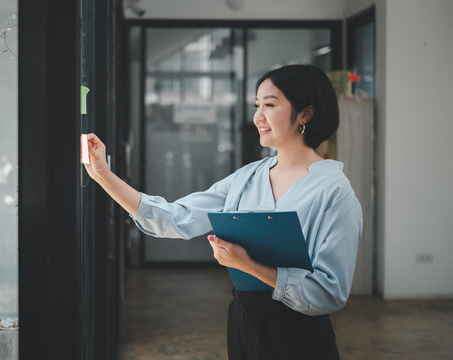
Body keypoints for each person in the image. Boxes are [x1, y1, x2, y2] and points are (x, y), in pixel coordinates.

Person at [83, 64, 362, 360]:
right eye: (257, 105)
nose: (258, 117)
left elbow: (330, 292)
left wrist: (249, 265)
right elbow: (174, 218)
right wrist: (102, 174)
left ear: (305, 114)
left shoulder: (333, 192)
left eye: (269, 104)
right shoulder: (247, 178)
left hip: (300, 334)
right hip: (245, 320)